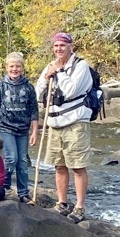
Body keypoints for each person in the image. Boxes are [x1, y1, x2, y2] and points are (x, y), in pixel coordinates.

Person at [35, 31, 93, 223]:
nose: (59, 49)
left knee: (77, 166)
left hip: (75, 123)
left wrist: (59, 71)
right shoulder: (50, 66)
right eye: (56, 46)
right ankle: (62, 203)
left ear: (71, 46)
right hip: (55, 123)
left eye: (63, 45)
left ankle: (80, 207)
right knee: (59, 165)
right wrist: (47, 76)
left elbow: (70, 91)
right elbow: (38, 92)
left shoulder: (81, 66)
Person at [0, 52, 39, 201]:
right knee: (11, 158)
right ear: (6, 67)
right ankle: (5, 186)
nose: (14, 69)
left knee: (22, 161)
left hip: (23, 129)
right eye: (11, 66)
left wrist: (34, 131)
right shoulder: (0, 86)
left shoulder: (28, 87)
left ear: (22, 68)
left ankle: (23, 193)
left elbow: (34, 109)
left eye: (18, 66)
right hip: (5, 127)